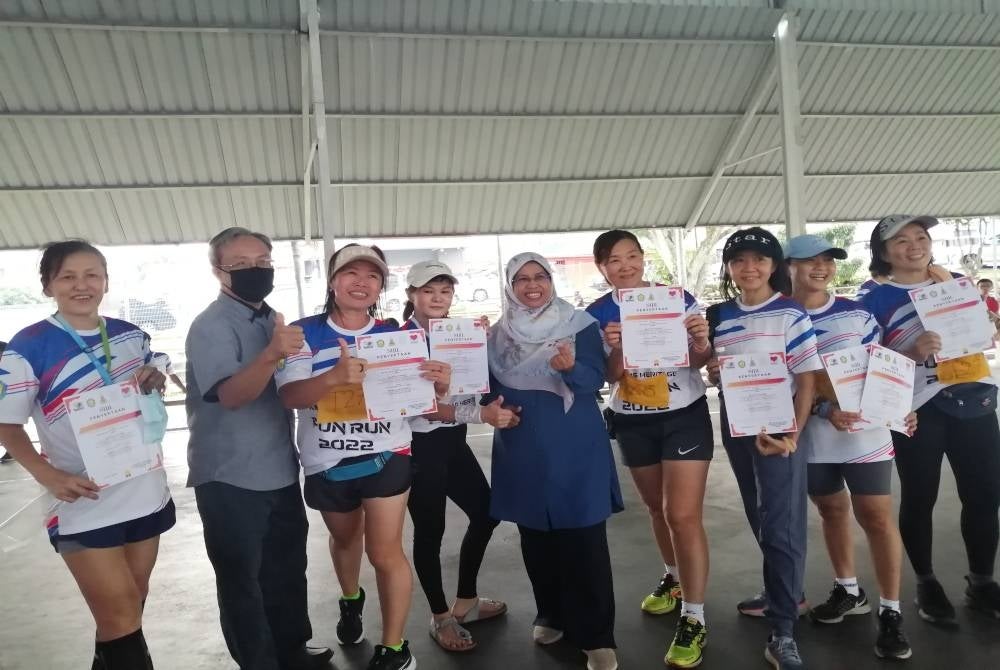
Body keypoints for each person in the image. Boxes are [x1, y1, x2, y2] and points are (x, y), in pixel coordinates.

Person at [0, 240, 174, 669]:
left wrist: (156, 376)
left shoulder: (130, 335)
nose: (82, 285)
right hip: (84, 500)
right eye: (68, 276)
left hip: (144, 489)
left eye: (92, 274)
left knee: (130, 606)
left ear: (106, 281)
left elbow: (154, 371)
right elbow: (6, 423)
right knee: (119, 616)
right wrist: (48, 474)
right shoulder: (28, 347)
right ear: (48, 286)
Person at [276, 244, 452, 670]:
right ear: (333, 282)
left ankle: (394, 649)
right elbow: (289, 397)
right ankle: (351, 598)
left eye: (371, 276)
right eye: (350, 273)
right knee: (345, 539)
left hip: (387, 454)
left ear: (381, 287)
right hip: (327, 461)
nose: (361, 282)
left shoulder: (396, 338)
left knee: (385, 552)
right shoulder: (303, 335)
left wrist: (440, 388)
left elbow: (423, 406)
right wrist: (334, 377)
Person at [186, 227, 331, 670]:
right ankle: (258, 660)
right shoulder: (211, 326)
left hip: (279, 468)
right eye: (242, 264)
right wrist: (270, 355)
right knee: (241, 580)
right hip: (229, 475)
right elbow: (230, 395)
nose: (257, 271)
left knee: (287, 568)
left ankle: (290, 648)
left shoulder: (272, 319)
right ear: (218, 271)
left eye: (264, 262)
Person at [487, 252, 623, 670]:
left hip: (574, 442)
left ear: (551, 281)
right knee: (536, 536)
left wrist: (568, 369)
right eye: (522, 279)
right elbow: (485, 388)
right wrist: (488, 408)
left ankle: (597, 635)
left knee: (585, 540)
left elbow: (593, 378)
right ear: (510, 285)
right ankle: (551, 613)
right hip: (521, 441)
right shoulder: (495, 335)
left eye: (540, 277)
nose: (532, 285)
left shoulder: (578, 323)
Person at [861, 214, 1000, 625]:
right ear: (883, 252)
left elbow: (981, 338)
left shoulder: (952, 281)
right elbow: (868, 364)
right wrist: (912, 351)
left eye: (920, 237)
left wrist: (985, 328)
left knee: (986, 495)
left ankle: (982, 580)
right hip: (917, 406)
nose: (914, 245)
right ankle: (926, 581)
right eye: (901, 240)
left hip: (974, 398)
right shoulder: (872, 299)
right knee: (920, 498)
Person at [585, 231, 713, 668]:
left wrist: (699, 343)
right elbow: (606, 375)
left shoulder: (676, 298)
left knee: (683, 514)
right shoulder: (597, 315)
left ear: (643, 259)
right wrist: (617, 347)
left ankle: (694, 617)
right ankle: (674, 578)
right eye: (614, 260)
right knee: (658, 510)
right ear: (602, 267)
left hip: (684, 413)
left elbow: (698, 359)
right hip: (634, 418)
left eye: (633, 256)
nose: (626, 266)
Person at [785, 234, 913, 660]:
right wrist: (823, 410)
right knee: (832, 510)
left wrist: (901, 407)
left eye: (827, 260)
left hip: (866, 431)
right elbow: (779, 383)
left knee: (876, 517)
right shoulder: (779, 316)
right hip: (812, 437)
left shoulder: (856, 314)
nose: (820, 268)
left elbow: (883, 368)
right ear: (789, 267)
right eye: (809, 261)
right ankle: (848, 590)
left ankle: (891, 612)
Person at [705, 227, 820, 670]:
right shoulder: (721, 316)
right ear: (730, 269)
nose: (748, 268)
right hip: (738, 425)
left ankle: (784, 629)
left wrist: (793, 432)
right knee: (758, 511)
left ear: (774, 266)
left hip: (780, 428)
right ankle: (780, 592)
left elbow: (807, 377)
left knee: (782, 522)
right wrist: (717, 371)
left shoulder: (790, 313)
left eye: (758, 260)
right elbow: (723, 373)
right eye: (739, 261)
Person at [400, 260, 515, 652]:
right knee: (430, 532)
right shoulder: (403, 341)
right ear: (411, 294)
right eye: (428, 290)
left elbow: (477, 386)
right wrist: (480, 413)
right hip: (420, 447)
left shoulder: (462, 333)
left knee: (486, 512)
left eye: (445, 291)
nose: (437, 298)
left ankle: (465, 601)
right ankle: (439, 616)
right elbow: (423, 408)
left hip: (454, 441)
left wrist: (479, 345)